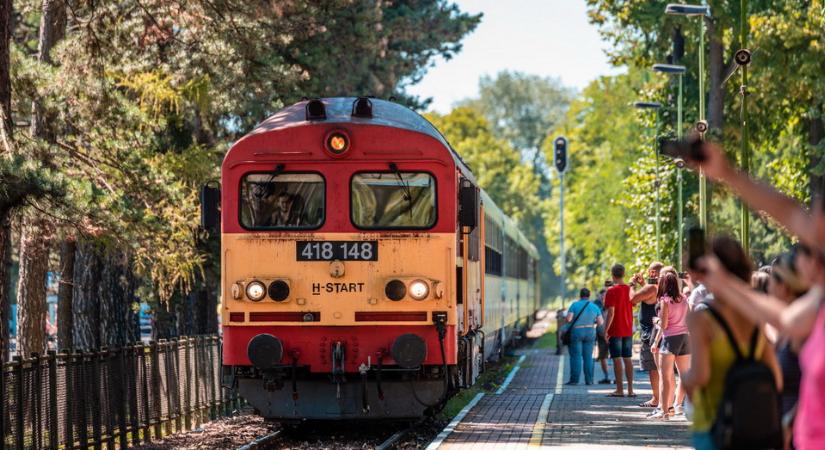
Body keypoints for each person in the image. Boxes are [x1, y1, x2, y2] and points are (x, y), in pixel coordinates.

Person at [687, 140, 825, 449]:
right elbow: (784, 319)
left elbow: (790, 213)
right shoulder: (819, 299)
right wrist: (726, 173)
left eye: (808, 243)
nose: (802, 251)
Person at [683, 236, 782, 450]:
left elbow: (700, 376)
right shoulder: (755, 314)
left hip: (714, 425)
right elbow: (776, 378)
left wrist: (684, 380)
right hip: (753, 426)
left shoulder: (701, 318)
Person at [650, 271, 691, 420]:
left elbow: (665, 324)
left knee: (665, 376)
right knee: (684, 376)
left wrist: (656, 322)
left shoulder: (665, 300)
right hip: (685, 339)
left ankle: (665, 411)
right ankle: (677, 405)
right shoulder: (684, 298)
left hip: (670, 339)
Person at [629, 262, 663, 408]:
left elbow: (633, 299)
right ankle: (663, 399)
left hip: (650, 332)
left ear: (652, 272)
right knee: (663, 368)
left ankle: (656, 399)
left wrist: (632, 284)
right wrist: (643, 283)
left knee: (653, 368)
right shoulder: (661, 286)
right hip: (659, 330)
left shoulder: (651, 287)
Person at [604, 263, 635, 397]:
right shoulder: (629, 289)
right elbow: (634, 304)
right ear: (623, 274)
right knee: (627, 358)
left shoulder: (611, 291)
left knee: (617, 359)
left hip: (615, 329)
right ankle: (630, 390)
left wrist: (606, 330)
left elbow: (611, 312)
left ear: (613, 274)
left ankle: (619, 389)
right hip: (628, 329)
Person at [565, 288, 604, 385]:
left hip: (577, 332)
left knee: (576, 357)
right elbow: (600, 322)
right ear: (589, 295)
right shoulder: (594, 306)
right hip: (590, 332)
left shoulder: (574, 305)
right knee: (588, 357)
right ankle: (589, 380)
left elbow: (569, 319)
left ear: (580, 295)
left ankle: (574, 380)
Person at [593, 286, 612, 384]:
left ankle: (617, 378)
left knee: (617, 357)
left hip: (613, 335)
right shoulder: (597, 307)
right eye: (602, 296)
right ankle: (606, 377)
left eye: (606, 296)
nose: (604, 298)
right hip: (601, 335)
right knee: (603, 357)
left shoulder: (613, 306)